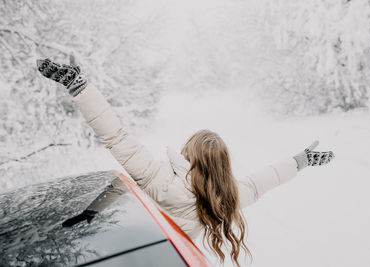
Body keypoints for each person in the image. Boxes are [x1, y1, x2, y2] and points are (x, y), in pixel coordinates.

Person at [36, 57, 335, 266]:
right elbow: (261, 182)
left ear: (187, 152)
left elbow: (114, 134)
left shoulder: (156, 175)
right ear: (222, 165)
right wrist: (301, 160)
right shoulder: (225, 199)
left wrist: (79, 86)